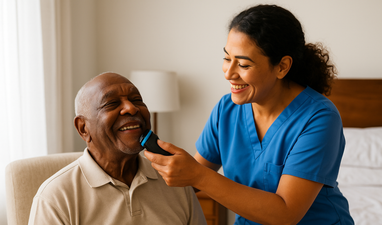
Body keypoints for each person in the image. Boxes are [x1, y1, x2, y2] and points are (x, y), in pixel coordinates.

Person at [144, 4, 354, 225]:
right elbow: (191, 182)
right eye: (227, 58)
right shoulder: (226, 110)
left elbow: (285, 213)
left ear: (282, 67)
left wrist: (197, 174)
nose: (229, 73)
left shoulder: (319, 118)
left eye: (243, 64)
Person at [28, 72, 207, 225]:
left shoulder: (176, 182)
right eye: (111, 104)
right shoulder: (55, 198)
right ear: (83, 128)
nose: (131, 108)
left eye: (137, 100)